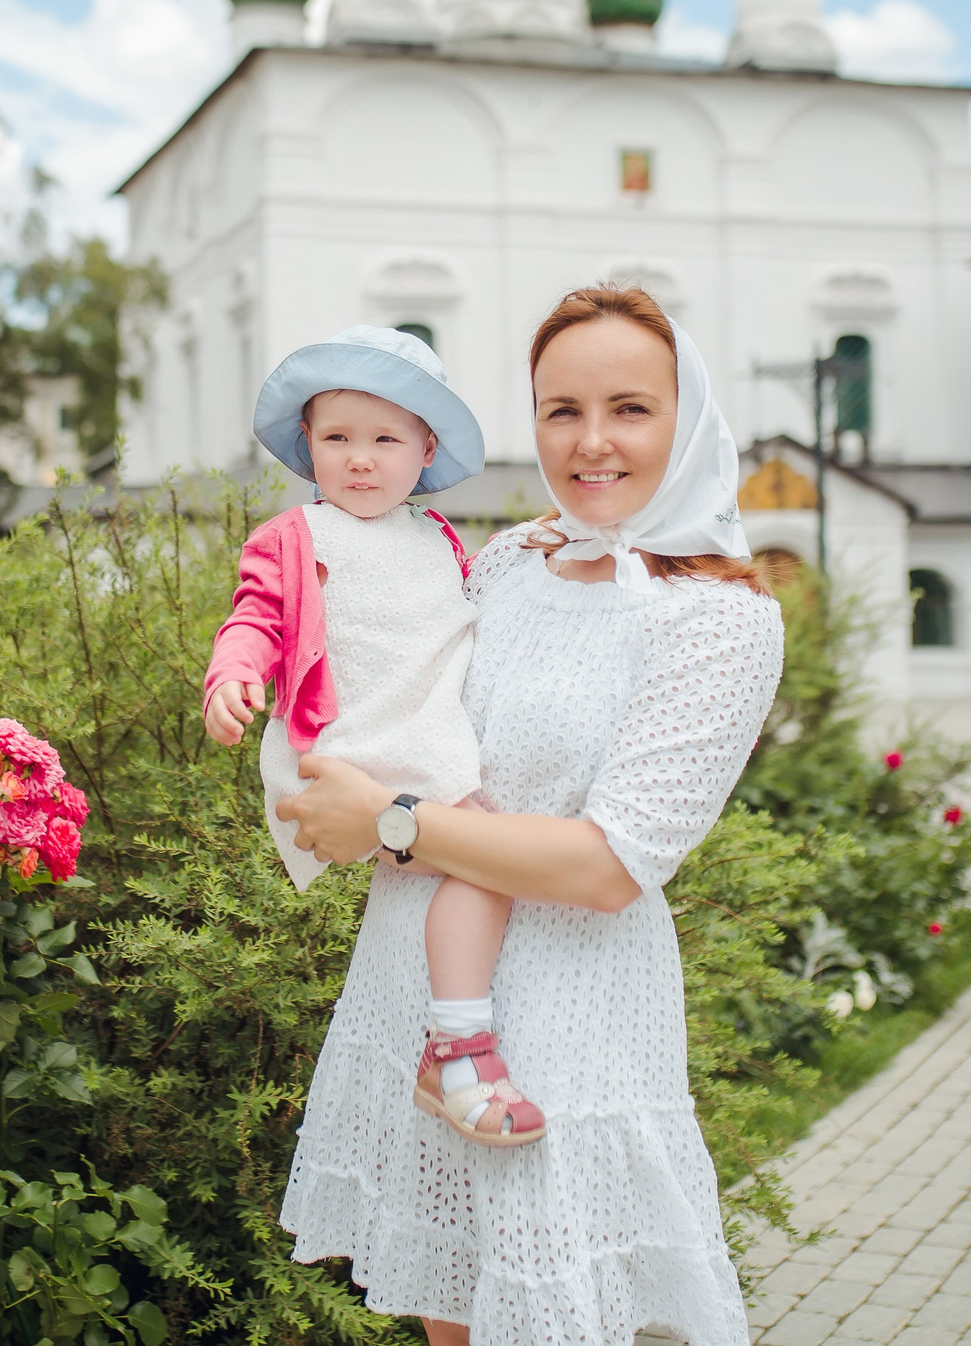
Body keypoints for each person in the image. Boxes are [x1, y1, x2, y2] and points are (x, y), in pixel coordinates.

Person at [274, 286, 784, 1346]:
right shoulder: (504, 561)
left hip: (569, 1019)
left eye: (629, 409)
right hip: (419, 992)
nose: (591, 441)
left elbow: (608, 866)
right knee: (448, 1318)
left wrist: (390, 820)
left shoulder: (720, 621)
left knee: (553, 1315)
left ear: (687, 419)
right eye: (560, 410)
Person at [201, 326, 546, 1145]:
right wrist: (232, 673)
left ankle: (459, 1038)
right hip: (345, 755)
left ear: (425, 449)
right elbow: (253, 616)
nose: (360, 458)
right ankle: (459, 1052)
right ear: (307, 446)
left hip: (421, 749)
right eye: (337, 438)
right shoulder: (299, 537)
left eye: (385, 439)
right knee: (486, 858)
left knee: (483, 857)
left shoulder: (439, 541)